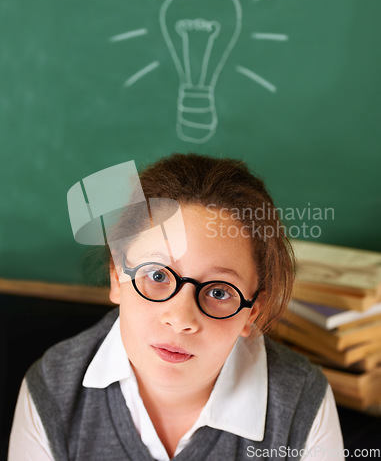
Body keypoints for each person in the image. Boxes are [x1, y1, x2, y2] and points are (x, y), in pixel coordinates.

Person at [8, 153, 344, 460]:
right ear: (115, 277)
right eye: (156, 275)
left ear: (251, 312)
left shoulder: (302, 403)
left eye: (219, 292)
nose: (181, 319)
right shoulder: (53, 390)